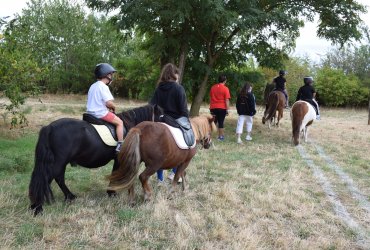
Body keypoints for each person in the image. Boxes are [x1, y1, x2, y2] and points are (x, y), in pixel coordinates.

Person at [149, 63, 189, 183]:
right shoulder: (178, 88)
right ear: (174, 74)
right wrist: (187, 122)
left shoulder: (158, 88)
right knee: (186, 146)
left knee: (159, 152)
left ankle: (160, 179)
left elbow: (151, 106)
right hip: (175, 122)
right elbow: (183, 110)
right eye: (177, 74)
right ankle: (174, 172)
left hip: (159, 121)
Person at [87, 63, 124, 153]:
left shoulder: (93, 86)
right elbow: (108, 103)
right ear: (106, 75)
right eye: (111, 74)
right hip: (100, 113)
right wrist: (113, 107)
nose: (111, 76)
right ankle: (120, 144)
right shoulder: (103, 86)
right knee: (120, 122)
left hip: (89, 113)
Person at [209, 74, 231, 141]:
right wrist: (227, 109)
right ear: (225, 81)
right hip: (222, 108)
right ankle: (220, 137)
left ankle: (208, 136)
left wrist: (210, 107)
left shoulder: (213, 87)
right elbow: (227, 100)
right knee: (221, 122)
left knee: (213, 122)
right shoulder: (225, 89)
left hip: (213, 107)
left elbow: (210, 98)